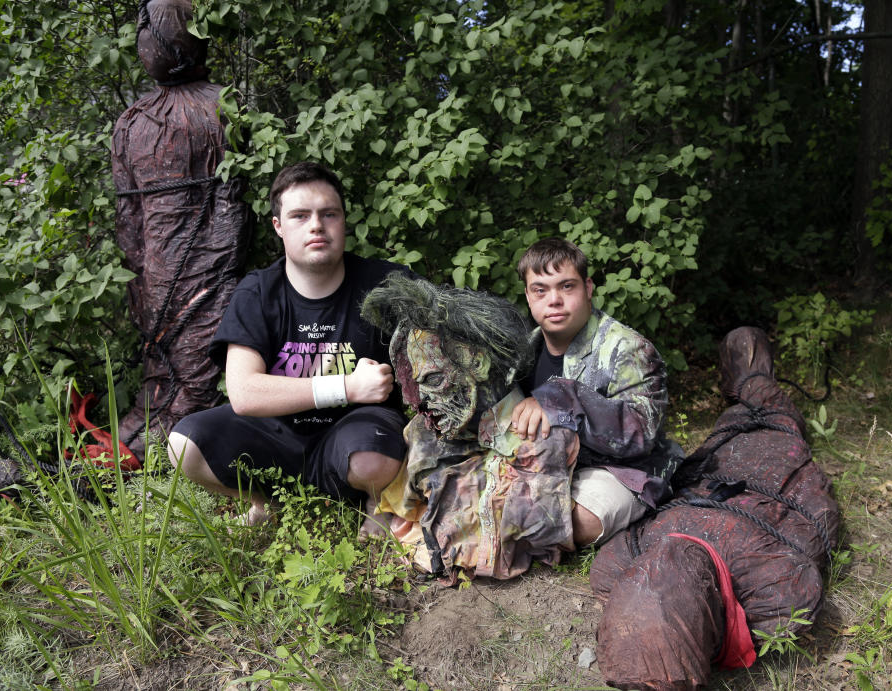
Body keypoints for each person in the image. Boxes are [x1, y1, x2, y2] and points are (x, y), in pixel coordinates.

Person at [167, 162, 408, 534]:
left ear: (343, 221)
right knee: (185, 443)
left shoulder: (386, 284)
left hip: (358, 429)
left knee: (370, 457)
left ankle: (378, 499)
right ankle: (270, 501)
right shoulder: (258, 292)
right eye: (300, 215)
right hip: (278, 434)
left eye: (329, 213)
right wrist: (346, 386)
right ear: (278, 226)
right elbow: (245, 393)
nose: (316, 225)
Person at [360, 275, 579, 582]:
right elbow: (399, 508)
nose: (421, 403)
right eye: (416, 386)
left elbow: (529, 537)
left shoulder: (541, 440)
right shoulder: (426, 433)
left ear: (477, 364)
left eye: (435, 381)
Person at [113, 0, 251, 462]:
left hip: (201, 268)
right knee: (166, 351)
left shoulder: (217, 106)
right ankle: (167, 427)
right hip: (164, 270)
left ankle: (196, 431)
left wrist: (219, 268)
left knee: (200, 352)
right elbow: (130, 219)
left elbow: (234, 204)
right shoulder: (138, 120)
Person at [512, 238, 682, 545]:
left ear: (587, 288)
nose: (554, 300)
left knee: (579, 521)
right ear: (528, 295)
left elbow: (641, 435)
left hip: (617, 469)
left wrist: (561, 399)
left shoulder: (628, 348)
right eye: (540, 289)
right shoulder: (522, 350)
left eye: (566, 286)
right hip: (546, 464)